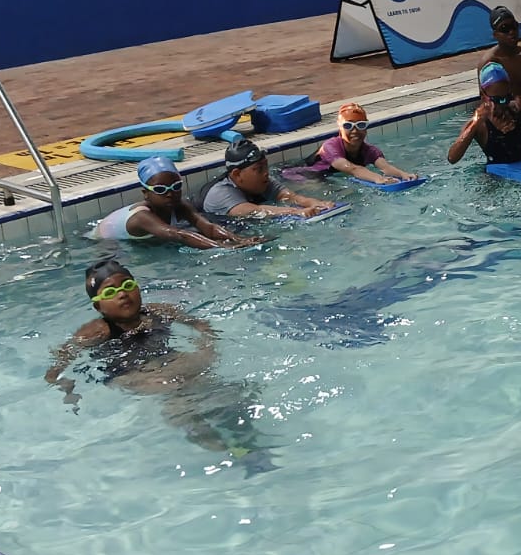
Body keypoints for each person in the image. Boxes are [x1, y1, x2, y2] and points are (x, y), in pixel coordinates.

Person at [45, 259, 271, 466]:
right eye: (111, 291)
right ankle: (226, 451)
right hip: (130, 374)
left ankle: (246, 440)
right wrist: (67, 389)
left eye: (127, 286)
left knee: (228, 394)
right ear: (98, 306)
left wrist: (207, 348)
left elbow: (200, 325)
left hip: (169, 362)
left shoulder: (159, 312)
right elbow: (60, 362)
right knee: (179, 406)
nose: (122, 294)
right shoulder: (96, 331)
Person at [95, 156, 259, 248]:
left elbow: (208, 227)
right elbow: (177, 234)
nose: (170, 194)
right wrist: (222, 248)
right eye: (160, 189)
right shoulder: (141, 218)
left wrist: (240, 240)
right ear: (145, 194)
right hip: (103, 245)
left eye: (176, 186)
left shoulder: (179, 205)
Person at [447, 62, 521, 165]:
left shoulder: (517, 110)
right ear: (484, 96)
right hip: (494, 178)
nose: (502, 104)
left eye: (506, 98)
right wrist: (475, 125)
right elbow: (452, 158)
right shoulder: (479, 122)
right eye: (497, 100)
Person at [201, 139, 336, 219]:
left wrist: (316, 203)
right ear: (237, 174)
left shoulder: (261, 181)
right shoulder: (220, 193)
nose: (266, 173)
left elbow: (289, 196)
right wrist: (297, 212)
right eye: (259, 169)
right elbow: (254, 211)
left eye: (266, 166)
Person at [306, 103, 420, 185]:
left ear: (366, 128)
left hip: (331, 177)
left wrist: (403, 175)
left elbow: (385, 167)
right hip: (307, 176)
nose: (355, 131)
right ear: (340, 128)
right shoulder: (330, 147)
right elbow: (352, 169)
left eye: (360, 125)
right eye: (348, 126)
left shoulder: (370, 151)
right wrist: (377, 178)